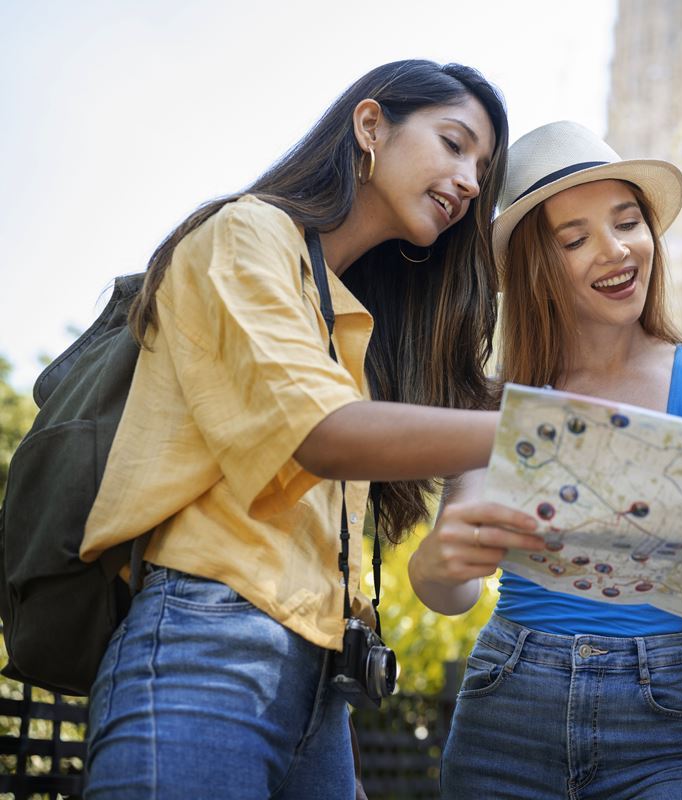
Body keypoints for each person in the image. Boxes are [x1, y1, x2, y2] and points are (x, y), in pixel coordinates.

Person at [80, 60, 513, 800]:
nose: (471, 181)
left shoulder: (353, 313)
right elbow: (323, 432)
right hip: (206, 646)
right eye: (453, 143)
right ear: (370, 126)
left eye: (482, 167)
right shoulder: (245, 234)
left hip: (321, 679)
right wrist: (542, 432)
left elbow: (456, 406)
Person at [407, 121, 682, 799]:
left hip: (663, 719)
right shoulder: (492, 402)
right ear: (536, 266)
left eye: (628, 222)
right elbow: (450, 595)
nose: (615, 249)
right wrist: (435, 562)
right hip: (508, 705)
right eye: (576, 239)